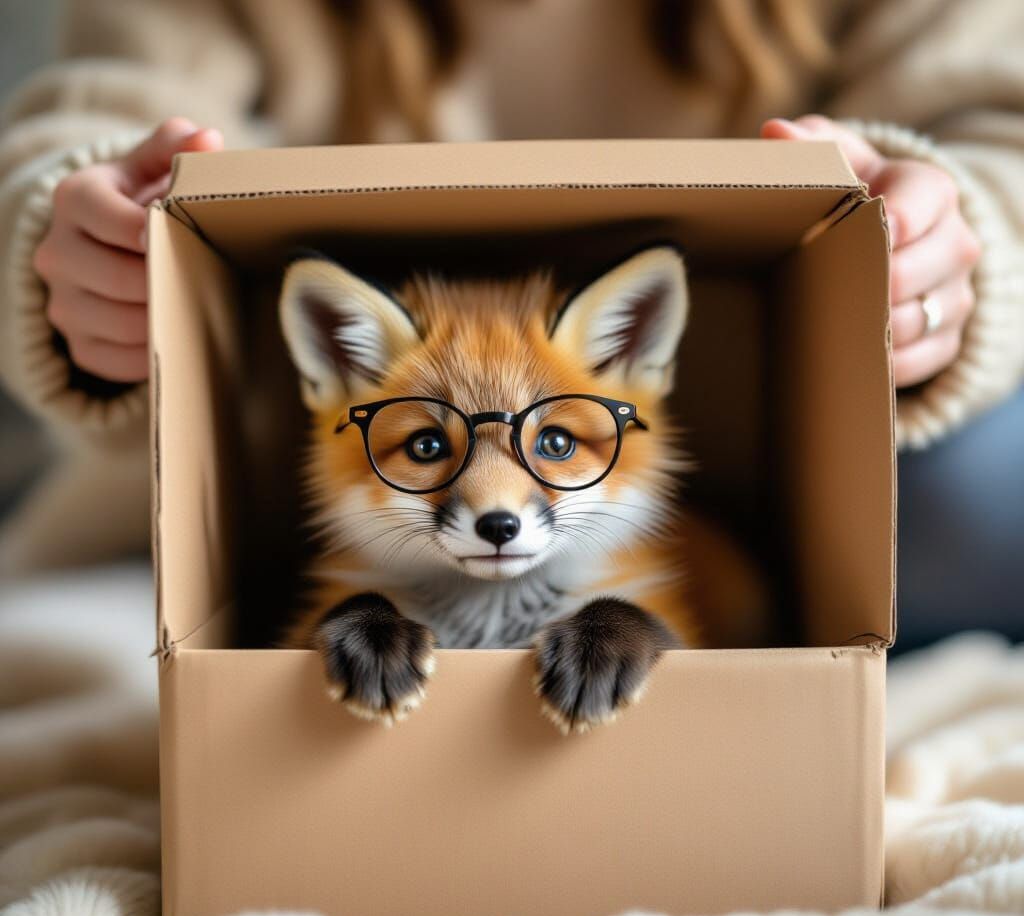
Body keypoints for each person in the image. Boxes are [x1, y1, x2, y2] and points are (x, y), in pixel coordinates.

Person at [0, 0, 1021, 647]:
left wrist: (947, 232)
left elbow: (996, 124)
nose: (492, 499)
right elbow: (108, 116)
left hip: (870, 451)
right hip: (268, 462)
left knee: (973, 512)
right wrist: (75, 237)